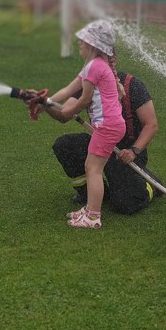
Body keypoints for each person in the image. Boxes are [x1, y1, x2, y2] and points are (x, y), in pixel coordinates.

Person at [43, 20, 126, 229]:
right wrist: (46, 101)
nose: (79, 43)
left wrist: (67, 112)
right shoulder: (94, 65)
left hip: (107, 126)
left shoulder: (95, 66)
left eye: (83, 40)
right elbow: (69, 90)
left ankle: (93, 216)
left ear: (93, 45)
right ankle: (89, 209)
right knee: (92, 167)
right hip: (108, 125)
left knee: (93, 169)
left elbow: (84, 99)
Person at [47, 64, 161, 216]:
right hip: (100, 146)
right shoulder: (88, 85)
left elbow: (151, 125)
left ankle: (151, 184)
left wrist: (133, 151)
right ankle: (87, 192)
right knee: (65, 145)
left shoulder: (132, 85)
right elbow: (64, 115)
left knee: (125, 204)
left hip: (126, 153)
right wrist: (44, 104)